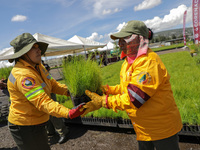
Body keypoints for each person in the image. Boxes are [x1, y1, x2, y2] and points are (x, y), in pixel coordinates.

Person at [81, 20, 182, 150]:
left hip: (161, 128)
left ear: (139, 40)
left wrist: (104, 101)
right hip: (143, 129)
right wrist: (107, 90)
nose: (120, 43)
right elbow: (127, 88)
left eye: (125, 39)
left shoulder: (148, 62)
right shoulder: (128, 62)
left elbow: (135, 97)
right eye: (119, 40)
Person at [0, 33, 85, 150]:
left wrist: (71, 91)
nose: (38, 50)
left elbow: (53, 84)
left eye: (38, 47)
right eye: (33, 48)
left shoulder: (38, 66)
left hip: (37, 121)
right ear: (23, 53)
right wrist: (68, 112)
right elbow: (42, 101)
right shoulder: (22, 74)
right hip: (24, 126)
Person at [42, 60, 70, 144]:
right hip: (40, 94)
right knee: (45, 113)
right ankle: (50, 131)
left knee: (53, 113)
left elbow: (49, 82)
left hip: (48, 91)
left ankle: (63, 132)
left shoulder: (41, 68)